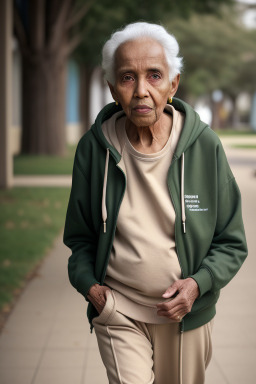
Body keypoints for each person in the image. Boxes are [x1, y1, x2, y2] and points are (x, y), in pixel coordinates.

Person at [63, 22, 247, 384]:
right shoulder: (93, 148)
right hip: (118, 310)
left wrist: (197, 284)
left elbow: (231, 241)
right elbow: (80, 236)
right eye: (128, 77)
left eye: (154, 75)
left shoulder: (204, 146)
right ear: (113, 88)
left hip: (184, 315)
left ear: (173, 84)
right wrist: (90, 287)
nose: (142, 91)